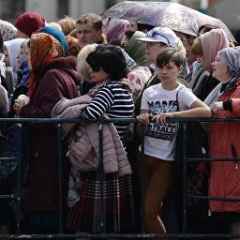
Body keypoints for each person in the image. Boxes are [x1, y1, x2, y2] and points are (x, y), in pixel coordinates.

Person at [137, 48, 211, 236]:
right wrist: (143, 119)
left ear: (178, 69)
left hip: (167, 158)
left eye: (169, 67)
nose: (163, 72)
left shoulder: (182, 92)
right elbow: (143, 116)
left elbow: (205, 111)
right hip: (146, 154)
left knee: (150, 210)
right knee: (147, 210)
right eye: (160, 67)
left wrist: (173, 115)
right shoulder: (149, 92)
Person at [13, 31, 78, 233]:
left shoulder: (51, 76)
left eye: (29, 52)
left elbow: (47, 114)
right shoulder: (57, 73)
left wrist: (23, 108)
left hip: (47, 152)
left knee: (45, 207)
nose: (25, 58)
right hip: (51, 151)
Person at [205, 47, 240, 237]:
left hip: (233, 164)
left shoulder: (236, 88)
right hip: (221, 164)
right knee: (224, 218)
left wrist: (226, 105)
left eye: (218, 59)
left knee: (235, 218)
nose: (213, 63)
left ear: (230, 65)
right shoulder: (223, 89)